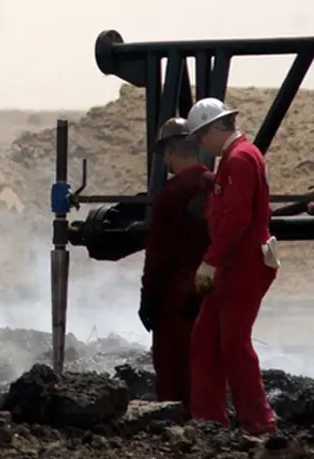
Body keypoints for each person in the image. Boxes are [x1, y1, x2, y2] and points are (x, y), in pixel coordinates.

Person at [186, 97, 279, 435]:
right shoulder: (239, 157)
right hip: (234, 263)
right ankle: (209, 422)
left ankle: (259, 423)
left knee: (234, 344)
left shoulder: (239, 159)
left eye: (199, 136)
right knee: (205, 340)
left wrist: (210, 262)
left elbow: (237, 218)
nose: (199, 144)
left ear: (213, 129)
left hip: (243, 265)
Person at [139, 117, 213, 416]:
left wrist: (148, 299)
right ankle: (209, 421)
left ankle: (177, 426)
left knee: (172, 365)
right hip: (210, 290)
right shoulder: (213, 184)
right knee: (207, 361)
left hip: (175, 296)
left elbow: (157, 255)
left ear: (171, 150)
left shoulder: (170, 196)